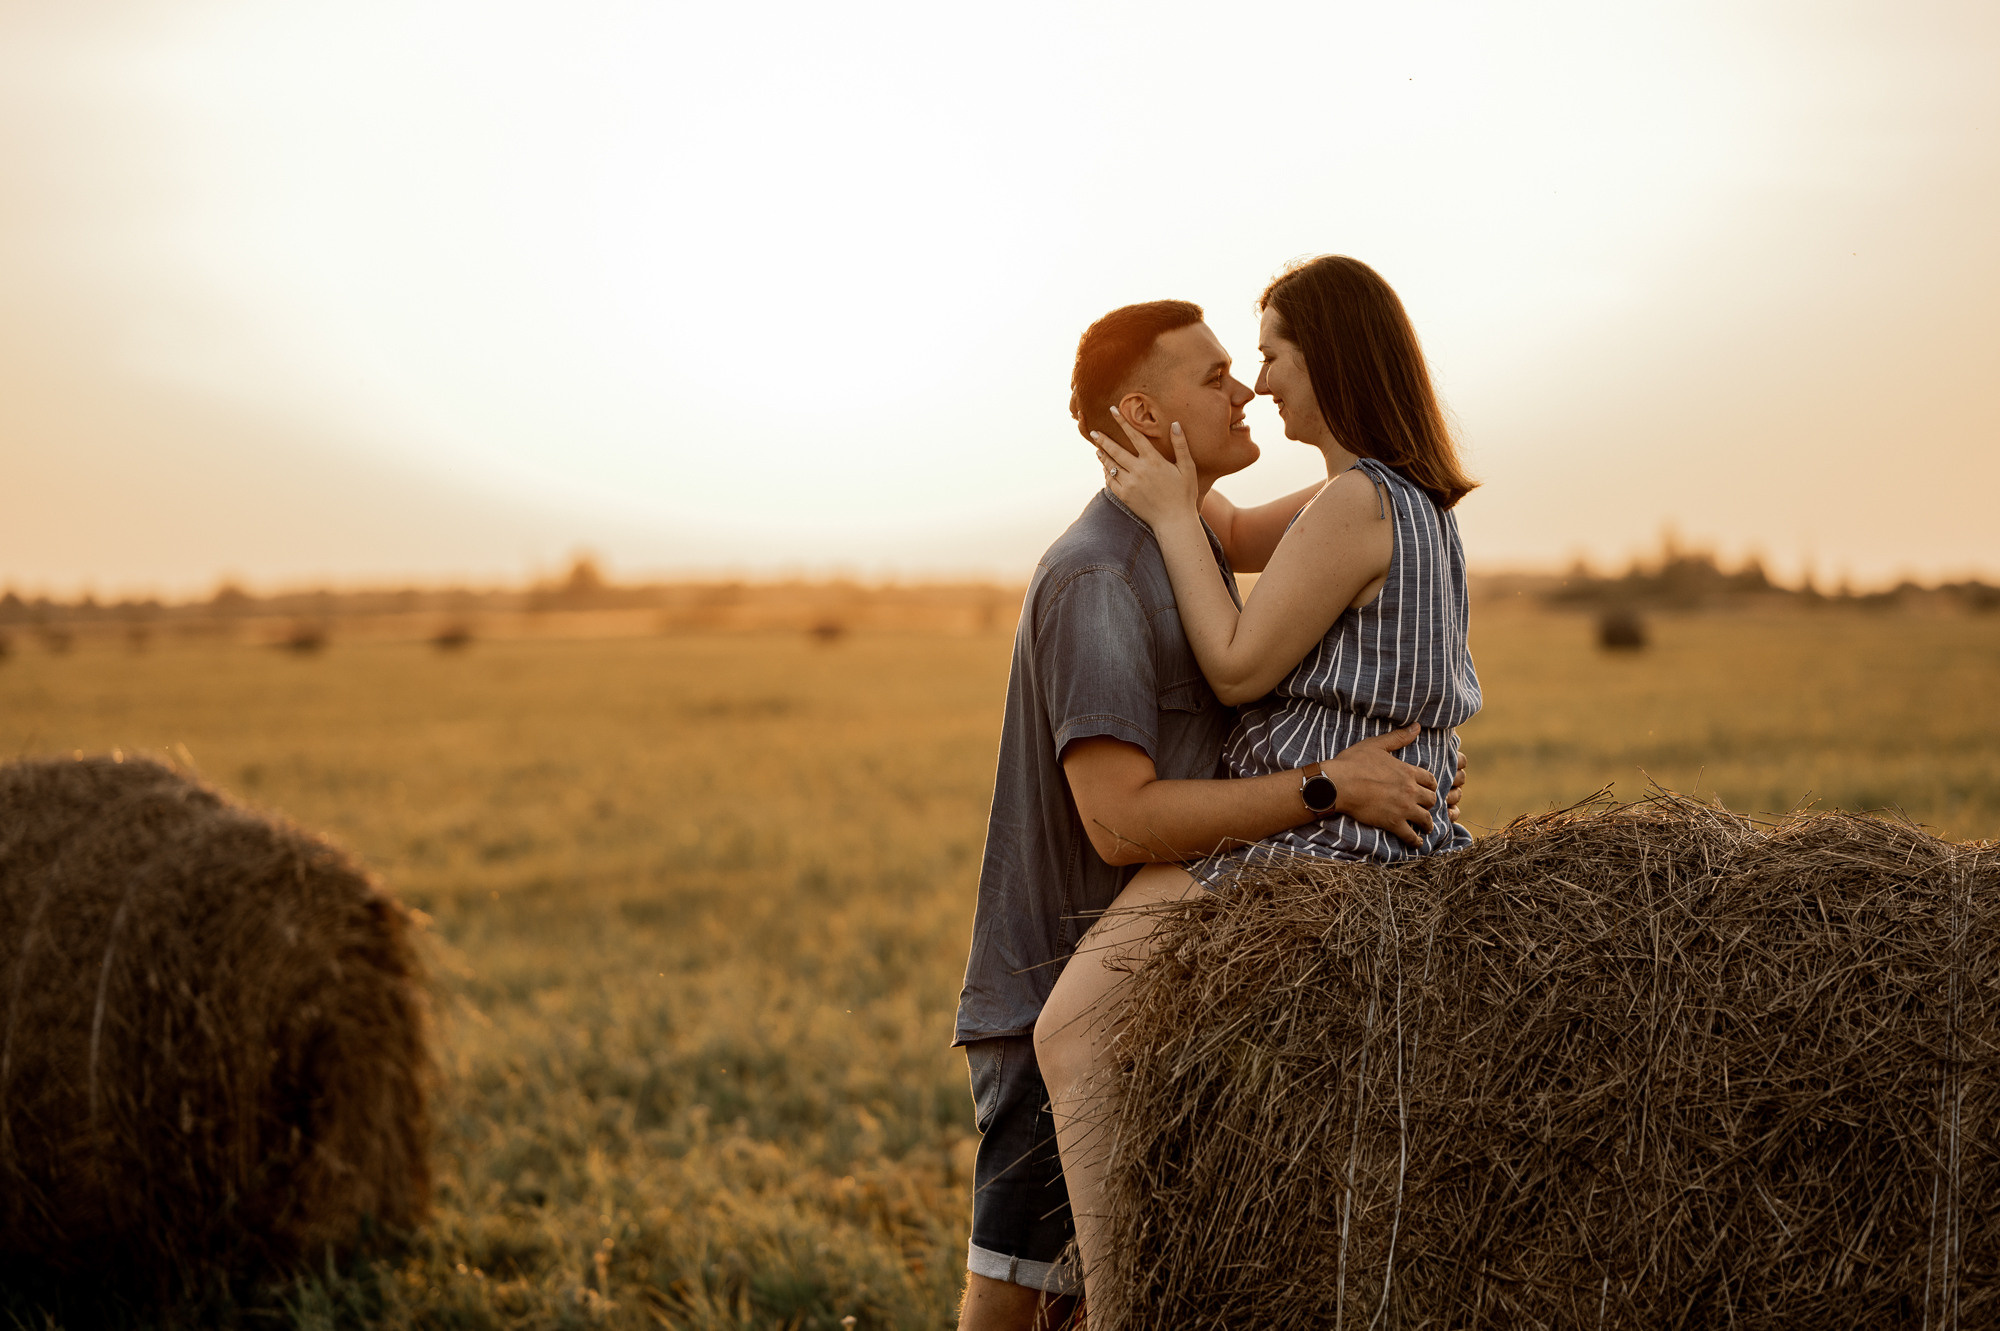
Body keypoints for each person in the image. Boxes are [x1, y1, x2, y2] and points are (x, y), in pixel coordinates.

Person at [954, 295, 1466, 1331]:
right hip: (1067, 969)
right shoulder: (1104, 574)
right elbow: (1120, 820)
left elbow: (1237, 563)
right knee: (1017, 1294)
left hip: (1200, 951)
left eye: (1263, 359)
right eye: (1221, 372)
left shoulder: (1247, 526)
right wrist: (1333, 783)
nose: (1250, 387)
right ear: (1145, 416)